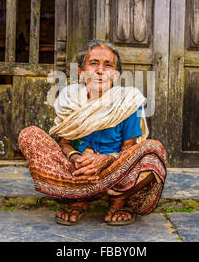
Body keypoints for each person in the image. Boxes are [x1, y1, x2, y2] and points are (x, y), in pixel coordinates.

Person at [18, 40, 167, 226]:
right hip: (76, 172)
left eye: (108, 65)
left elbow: (129, 149)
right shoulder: (70, 98)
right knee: (29, 135)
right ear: (81, 71)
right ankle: (78, 199)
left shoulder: (128, 101)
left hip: (116, 173)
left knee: (154, 150)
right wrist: (75, 158)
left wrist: (106, 160)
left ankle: (118, 201)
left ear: (116, 74)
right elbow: (63, 142)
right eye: (94, 63)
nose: (100, 70)